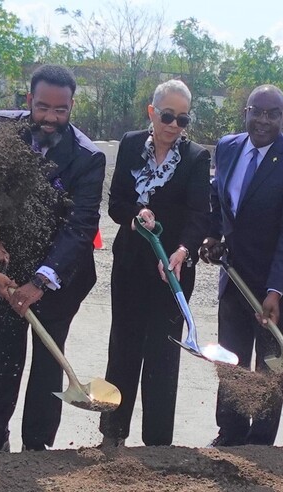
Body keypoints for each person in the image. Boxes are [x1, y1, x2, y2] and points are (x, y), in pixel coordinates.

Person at [0, 64, 106, 452]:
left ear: (72, 106)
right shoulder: (3, 129)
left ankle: (37, 446)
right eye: (43, 107)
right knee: (2, 351)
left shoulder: (87, 157)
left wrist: (41, 280)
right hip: (5, 272)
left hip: (60, 276)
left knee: (49, 356)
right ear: (29, 100)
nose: (50, 118)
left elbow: (81, 227)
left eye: (60, 110)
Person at [200, 84, 283, 447]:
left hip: (274, 282)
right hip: (233, 275)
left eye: (272, 114)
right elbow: (219, 201)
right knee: (231, 358)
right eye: (257, 111)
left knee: (270, 365)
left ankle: (261, 442)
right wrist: (213, 236)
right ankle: (230, 432)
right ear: (246, 112)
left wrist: (275, 290)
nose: (263, 120)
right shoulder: (228, 146)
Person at [97, 79, 211, 447]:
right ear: (152, 113)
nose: (174, 126)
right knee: (124, 347)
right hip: (130, 265)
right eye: (167, 116)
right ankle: (113, 434)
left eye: (182, 119)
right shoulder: (131, 145)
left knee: (163, 356)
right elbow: (115, 203)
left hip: (172, 271)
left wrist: (183, 250)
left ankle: (158, 444)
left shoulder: (195, 157)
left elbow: (199, 216)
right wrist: (136, 214)